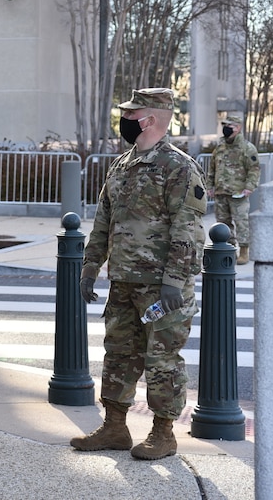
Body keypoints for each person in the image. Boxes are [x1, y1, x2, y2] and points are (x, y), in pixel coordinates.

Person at [72, 88, 207, 460]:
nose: (125, 120)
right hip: (124, 281)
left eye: (132, 114)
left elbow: (187, 228)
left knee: (162, 361)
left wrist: (173, 283)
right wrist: (89, 267)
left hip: (162, 286)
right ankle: (115, 426)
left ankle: (163, 434)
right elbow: (103, 221)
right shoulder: (121, 165)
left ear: (149, 120)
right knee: (118, 354)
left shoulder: (179, 167)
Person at [206, 114, 260, 265]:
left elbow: (254, 170)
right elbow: (212, 170)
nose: (226, 128)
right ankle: (230, 250)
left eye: (230, 126)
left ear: (238, 128)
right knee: (223, 224)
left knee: (241, 221)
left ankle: (244, 251)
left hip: (238, 193)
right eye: (225, 125)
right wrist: (209, 186)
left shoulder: (247, 148)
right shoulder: (219, 148)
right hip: (221, 192)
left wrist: (249, 187)